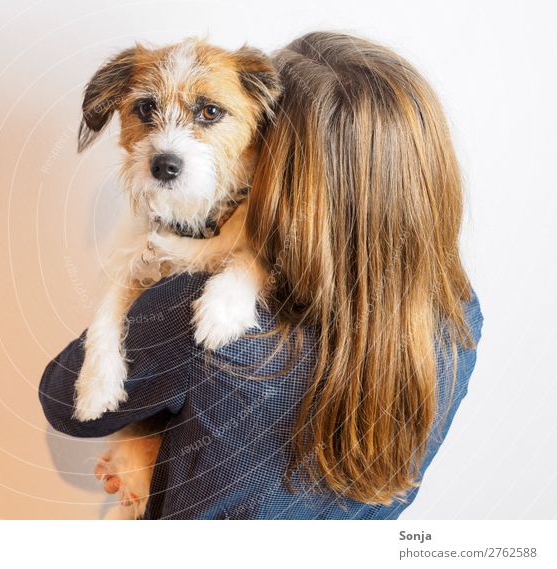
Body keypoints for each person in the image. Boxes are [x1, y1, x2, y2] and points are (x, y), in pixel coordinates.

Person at [39, 32, 483, 519]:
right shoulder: (457, 315)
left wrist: (150, 452)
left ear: (286, 164)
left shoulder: (199, 307)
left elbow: (64, 401)